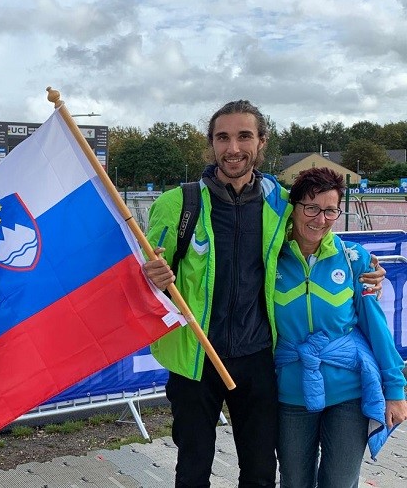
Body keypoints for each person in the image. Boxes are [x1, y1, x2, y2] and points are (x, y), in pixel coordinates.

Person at [142, 100, 386, 488]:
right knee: (192, 471)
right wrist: (148, 275)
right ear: (211, 143)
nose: (233, 148)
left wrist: (363, 265)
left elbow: (318, 230)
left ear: (261, 142)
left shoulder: (279, 201)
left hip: (256, 358)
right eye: (223, 137)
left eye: (244, 136)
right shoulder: (177, 204)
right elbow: (142, 279)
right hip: (194, 358)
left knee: (259, 472)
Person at [274, 167, 407, 488]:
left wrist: (395, 390)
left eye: (331, 210)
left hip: (348, 392)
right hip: (290, 393)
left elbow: (376, 326)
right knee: (294, 481)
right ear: (293, 207)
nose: (320, 219)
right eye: (311, 208)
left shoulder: (353, 258)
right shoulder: (270, 259)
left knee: (339, 482)